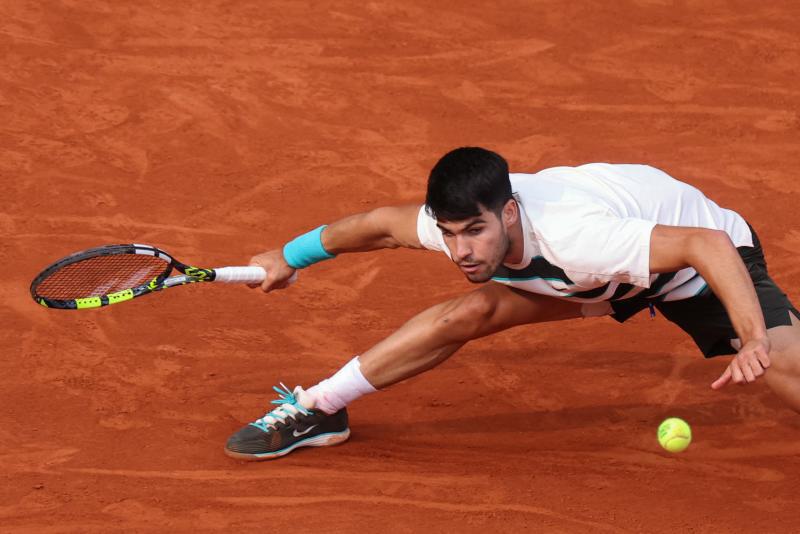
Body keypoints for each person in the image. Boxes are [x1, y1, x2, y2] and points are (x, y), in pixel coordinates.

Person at [224, 147, 800, 461]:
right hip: (591, 281)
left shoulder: (578, 236)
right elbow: (376, 227)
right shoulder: (455, 227)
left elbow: (708, 245)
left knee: (780, 361)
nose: (461, 251)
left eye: (473, 231)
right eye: (449, 233)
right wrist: (287, 256)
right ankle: (322, 407)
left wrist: (751, 337)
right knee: (465, 313)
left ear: (509, 212)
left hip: (684, 267)